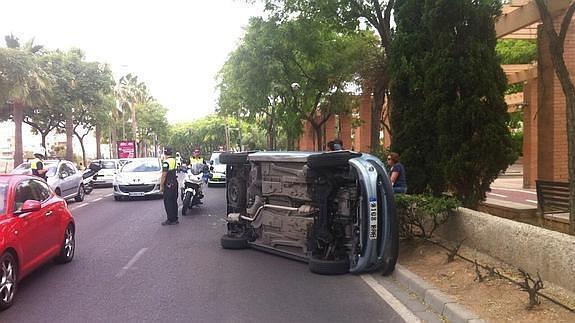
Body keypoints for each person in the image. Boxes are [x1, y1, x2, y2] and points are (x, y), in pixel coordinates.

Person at [160, 147, 179, 225]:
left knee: (168, 202)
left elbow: (164, 175)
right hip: (174, 182)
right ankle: (175, 218)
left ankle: (170, 219)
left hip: (168, 184)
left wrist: (161, 186)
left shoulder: (166, 162)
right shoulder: (174, 160)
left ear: (164, 153)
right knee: (174, 201)